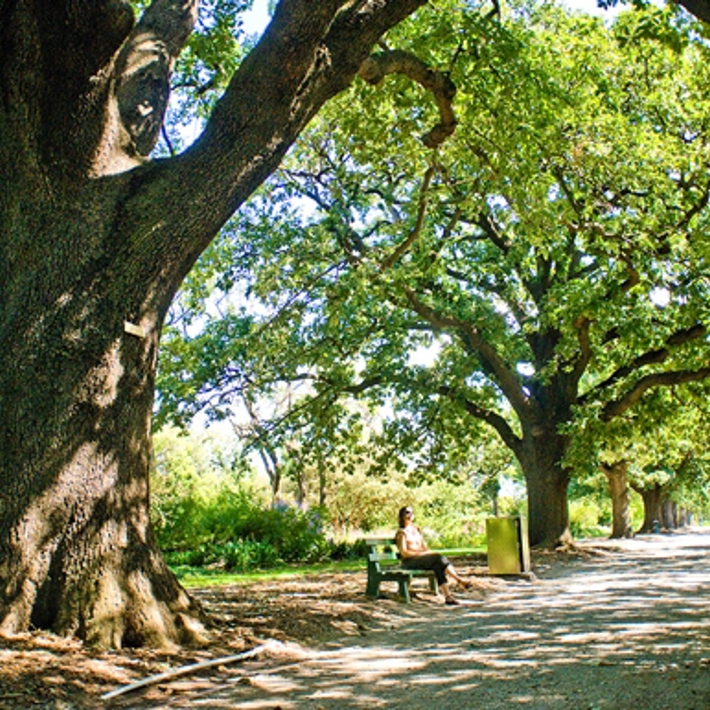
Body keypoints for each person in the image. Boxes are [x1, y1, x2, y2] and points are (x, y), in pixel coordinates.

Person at [395, 505, 473, 606]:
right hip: (409, 562)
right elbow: (404, 553)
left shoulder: (416, 530)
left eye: (411, 513)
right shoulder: (401, 533)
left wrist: (426, 553)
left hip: (421, 559)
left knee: (437, 566)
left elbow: (425, 547)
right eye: (407, 512)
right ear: (401, 516)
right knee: (438, 557)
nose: (409, 515)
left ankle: (448, 597)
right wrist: (421, 553)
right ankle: (459, 580)